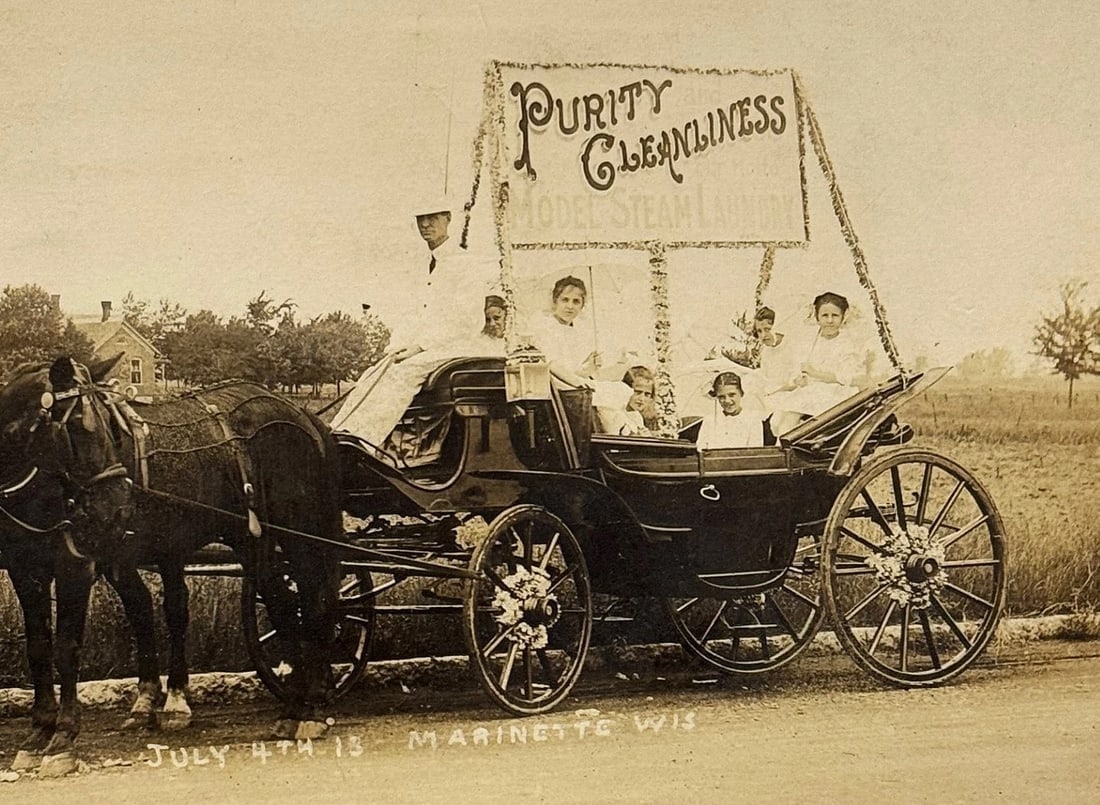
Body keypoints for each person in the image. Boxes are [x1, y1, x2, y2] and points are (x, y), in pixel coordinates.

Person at [330, 197, 494, 445]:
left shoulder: (467, 265)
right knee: (376, 372)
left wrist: (420, 346)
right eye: (421, 219)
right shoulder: (423, 266)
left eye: (433, 218)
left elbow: (466, 320)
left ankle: (366, 442)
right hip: (430, 345)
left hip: (459, 344)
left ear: (448, 219)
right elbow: (414, 313)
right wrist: (398, 346)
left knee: (404, 372)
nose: (426, 225)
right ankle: (340, 433)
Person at [766, 291, 862, 436]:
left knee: (791, 415)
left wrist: (815, 374)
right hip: (812, 389)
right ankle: (782, 449)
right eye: (825, 315)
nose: (830, 320)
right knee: (779, 417)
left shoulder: (847, 343)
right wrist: (801, 378)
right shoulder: (812, 340)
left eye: (835, 316)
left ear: (843, 317)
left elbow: (847, 378)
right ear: (817, 317)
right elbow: (802, 366)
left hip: (835, 392)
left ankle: (784, 451)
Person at [529, 275, 602, 388]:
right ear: (555, 301)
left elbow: (575, 371)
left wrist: (590, 367)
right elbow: (553, 366)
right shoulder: (546, 327)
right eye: (565, 300)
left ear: (582, 305)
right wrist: (578, 383)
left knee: (622, 390)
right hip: (558, 388)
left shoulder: (575, 332)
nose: (570, 306)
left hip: (574, 385)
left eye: (576, 302)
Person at [695, 371, 765, 450]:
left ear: (741, 393)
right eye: (721, 397)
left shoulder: (753, 421)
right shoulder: (710, 421)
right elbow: (701, 449)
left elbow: (754, 453)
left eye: (732, 395)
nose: (727, 401)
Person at [597, 365, 659, 436]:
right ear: (627, 390)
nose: (641, 399)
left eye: (647, 394)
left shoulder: (637, 417)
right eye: (637, 392)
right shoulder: (613, 413)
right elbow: (611, 440)